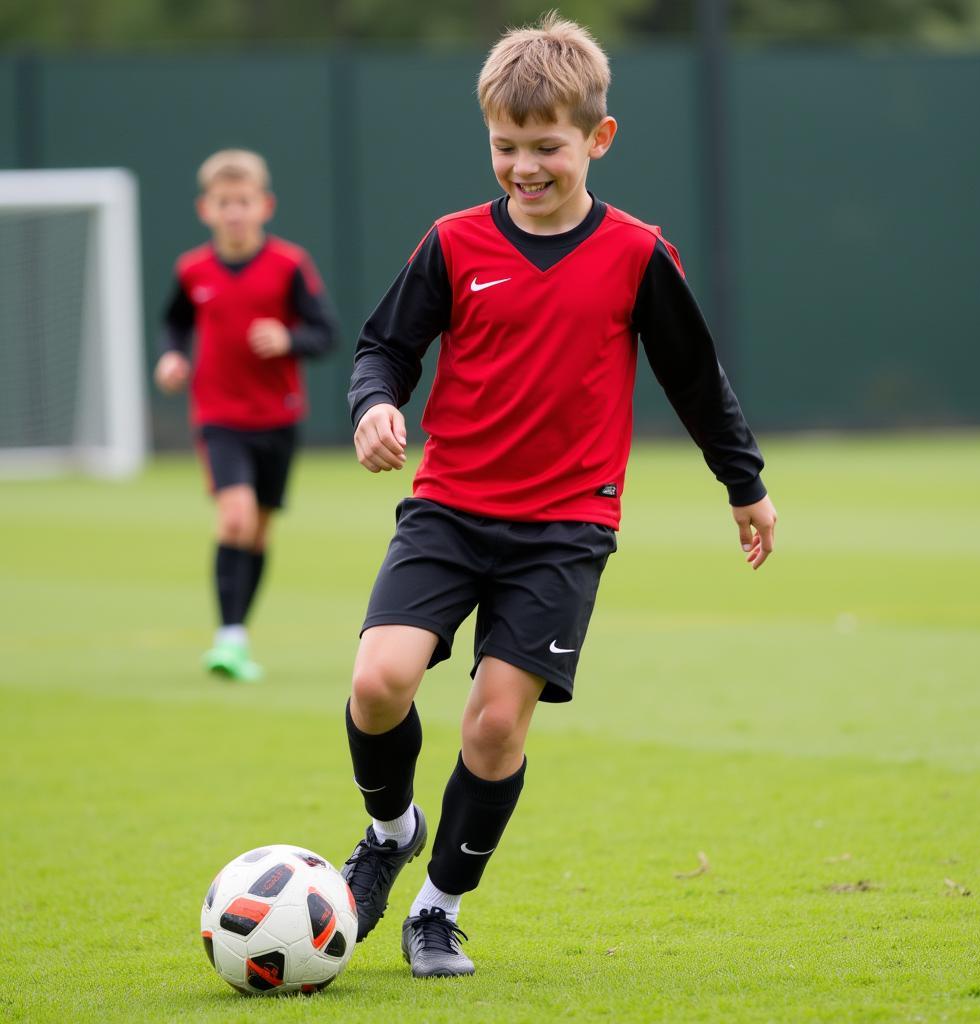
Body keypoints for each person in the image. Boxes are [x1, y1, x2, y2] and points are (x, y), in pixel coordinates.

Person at [340, 13, 777, 979]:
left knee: (496, 722)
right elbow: (384, 348)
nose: (525, 167)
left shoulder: (637, 254)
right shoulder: (453, 243)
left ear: (598, 138)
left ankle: (439, 910)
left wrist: (744, 485)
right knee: (378, 685)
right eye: (506, 146)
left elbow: (695, 379)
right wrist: (376, 406)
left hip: (566, 526)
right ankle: (389, 832)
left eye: (548, 147)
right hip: (448, 507)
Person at [154, 149, 338, 681]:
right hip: (218, 415)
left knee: (257, 531)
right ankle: (228, 638)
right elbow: (174, 324)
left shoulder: (289, 265)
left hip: (277, 417)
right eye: (223, 202)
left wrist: (288, 337)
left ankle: (238, 635)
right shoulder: (193, 270)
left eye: (243, 201)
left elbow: (324, 332)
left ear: (265, 205)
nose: (234, 212)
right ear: (204, 209)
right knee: (233, 517)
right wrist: (172, 356)